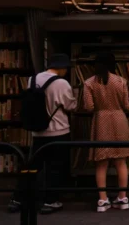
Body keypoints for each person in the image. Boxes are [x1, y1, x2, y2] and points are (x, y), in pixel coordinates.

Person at [8, 54, 77, 215]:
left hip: (38, 131)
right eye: (66, 68)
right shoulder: (61, 83)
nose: (66, 71)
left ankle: (17, 199)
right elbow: (70, 105)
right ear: (61, 68)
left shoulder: (33, 79)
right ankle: (50, 201)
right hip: (58, 130)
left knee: (32, 167)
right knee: (55, 167)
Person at [83, 52, 129, 213]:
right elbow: (128, 107)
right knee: (121, 162)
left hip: (101, 121)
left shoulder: (89, 83)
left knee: (101, 163)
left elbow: (88, 107)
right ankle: (122, 198)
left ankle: (103, 200)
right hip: (119, 120)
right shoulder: (121, 81)